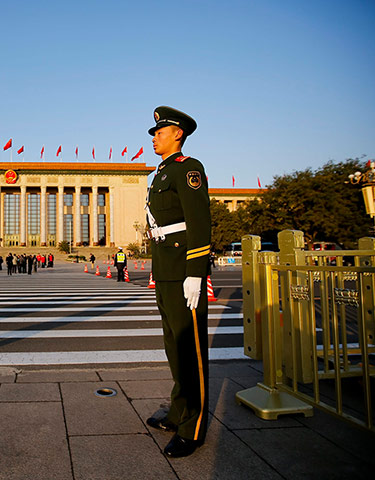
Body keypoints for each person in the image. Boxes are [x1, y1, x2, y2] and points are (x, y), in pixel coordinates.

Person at [144, 106, 211, 458]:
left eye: (159, 132)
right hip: (167, 268)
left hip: (184, 269)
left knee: (192, 350)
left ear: (177, 134)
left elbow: (199, 222)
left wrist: (196, 273)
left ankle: (193, 427)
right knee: (174, 346)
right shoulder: (162, 173)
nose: (154, 137)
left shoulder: (189, 169)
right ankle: (177, 411)